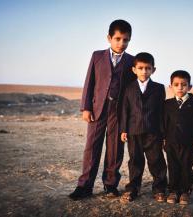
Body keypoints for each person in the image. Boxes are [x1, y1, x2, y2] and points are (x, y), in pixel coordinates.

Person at [69, 19, 136, 200]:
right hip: (98, 109)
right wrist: (86, 107)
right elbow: (89, 82)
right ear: (109, 38)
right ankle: (84, 186)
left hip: (119, 112)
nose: (122, 43)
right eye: (118, 39)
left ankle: (110, 185)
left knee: (115, 149)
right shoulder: (97, 56)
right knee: (92, 147)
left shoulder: (132, 61)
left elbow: (133, 89)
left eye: (126, 40)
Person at [119, 52, 167, 203]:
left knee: (156, 160)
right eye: (140, 68)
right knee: (135, 161)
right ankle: (133, 188)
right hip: (134, 131)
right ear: (134, 70)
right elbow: (125, 109)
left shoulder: (159, 88)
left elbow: (161, 112)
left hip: (153, 132)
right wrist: (123, 129)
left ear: (153, 69)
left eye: (148, 68)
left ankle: (159, 188)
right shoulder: (129, 88)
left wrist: (163, 133)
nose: (144, 71)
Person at [163, 70, 193, 205]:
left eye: (184, 84)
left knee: (186, 165)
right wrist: (162, 138)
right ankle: (174, 191)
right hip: (170, 142)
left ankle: (186, 191)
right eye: (176, 84)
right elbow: (163, 123)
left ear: (190, 87)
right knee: (173, 166)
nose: (180, 87)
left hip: (188, 142)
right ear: (171, 87)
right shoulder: (166, 104)